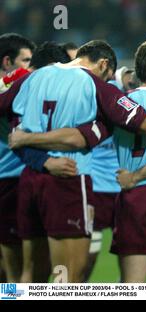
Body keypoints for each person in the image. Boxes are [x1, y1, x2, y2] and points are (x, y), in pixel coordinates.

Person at [3, 40, 146, 283]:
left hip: (43, 181)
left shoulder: (34, 78)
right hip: (85, 183)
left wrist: (28, 142)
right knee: (72, 277)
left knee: (27, 274)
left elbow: (74, 135)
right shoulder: (107, 91)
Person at [0, 40, 73, 283]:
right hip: (10, 181)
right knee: (18, 270)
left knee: (31, 270)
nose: (29, 68)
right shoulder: (20, 83)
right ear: (7, 62)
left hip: (27, 179)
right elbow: (15, 137)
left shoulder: (19, 86)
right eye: (25, 60)